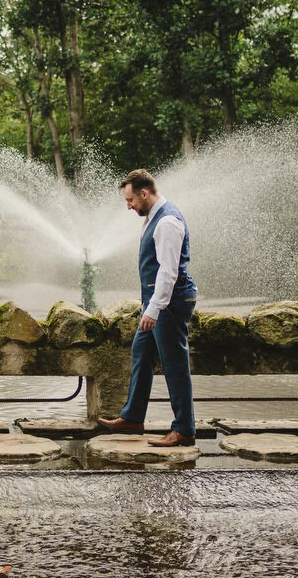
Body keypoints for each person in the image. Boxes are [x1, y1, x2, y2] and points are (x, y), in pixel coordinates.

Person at [97, 168, 198, 447]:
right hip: (158, 301)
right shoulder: (155, 216)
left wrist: (153, 310)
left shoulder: (167, 222)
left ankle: (184, 430)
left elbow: (168, 272)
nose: (128, 206)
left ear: (144, 193)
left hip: (171, 302)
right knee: (141, 352)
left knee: (175, 365)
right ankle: (133, 418)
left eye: (130, 200)